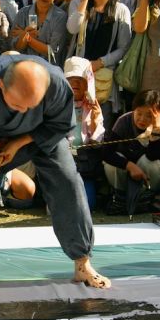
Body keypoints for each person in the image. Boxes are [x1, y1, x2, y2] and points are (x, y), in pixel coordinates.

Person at [0, 54, 110, 288]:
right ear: (2, 85)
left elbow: (61, 125)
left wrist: (21, 141)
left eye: (31, 105)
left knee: (67, 181)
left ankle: (82, 263)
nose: (23, 110)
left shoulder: (56, 85)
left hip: (42, 134)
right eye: (17, 105)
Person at [67, 0, 131, 130]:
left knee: (100, 127)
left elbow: (124, 48)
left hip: (104, 78)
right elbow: (72, 28)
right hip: (79, 76)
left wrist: (100, 62)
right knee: (77, 130)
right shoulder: (77, 3)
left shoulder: (121, 10)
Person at [103, 89, 160, 216]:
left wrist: (155, 131)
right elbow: (106, 152)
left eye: (149, 115)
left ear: (158, 113)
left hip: (150, 176)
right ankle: (120, 198)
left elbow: (153, 155)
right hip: (126, 171)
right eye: (139, 113)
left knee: (149, 161)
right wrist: (129, 166)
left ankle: (145, 197)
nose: (142, 119)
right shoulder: (124, 121)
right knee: (112, 163)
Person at [64, 56, 104, 210]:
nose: (75, 83)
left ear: (88, 82)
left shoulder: (93, 107)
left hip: (86, 161)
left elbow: (98, 142)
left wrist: (94, 120)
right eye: (70, 79)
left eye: (80, 79)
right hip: (63, 158)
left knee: (87, 205)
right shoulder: (57, 105)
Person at [10, 0, 68, 65]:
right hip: (25, 67)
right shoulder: (23, 13)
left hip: (50, 70)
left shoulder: (60, 16)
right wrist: (24, 36)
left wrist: (27, 38)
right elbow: (16, 47)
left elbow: (52, 52)